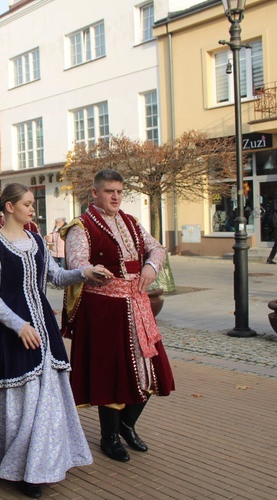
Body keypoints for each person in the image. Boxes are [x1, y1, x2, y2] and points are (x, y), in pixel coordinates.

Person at [0, 183, 92, 498]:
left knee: (48, 399)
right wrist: (18, 325)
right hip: (11, 334)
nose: (33, 209)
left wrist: (85, 273)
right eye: (28, 204)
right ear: (9, 207)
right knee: (21, 405)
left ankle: (43, 462)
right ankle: (21, 469)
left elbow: (55, 277)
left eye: (32, 204)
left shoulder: (37, 242)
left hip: (43, 328)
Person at [63, 169, 175, 463]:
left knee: (151, 370)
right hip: (104, 310)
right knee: (112, 374)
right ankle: (109, 437)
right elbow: (77, 263)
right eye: (109, 191)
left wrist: (151, 266)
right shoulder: (81, 226)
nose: (115, 197)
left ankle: (126, 425)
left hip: (137, 307)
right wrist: (95, 273)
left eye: (119, 192)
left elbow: (156, 248)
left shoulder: (131, 222)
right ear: (95, 193)